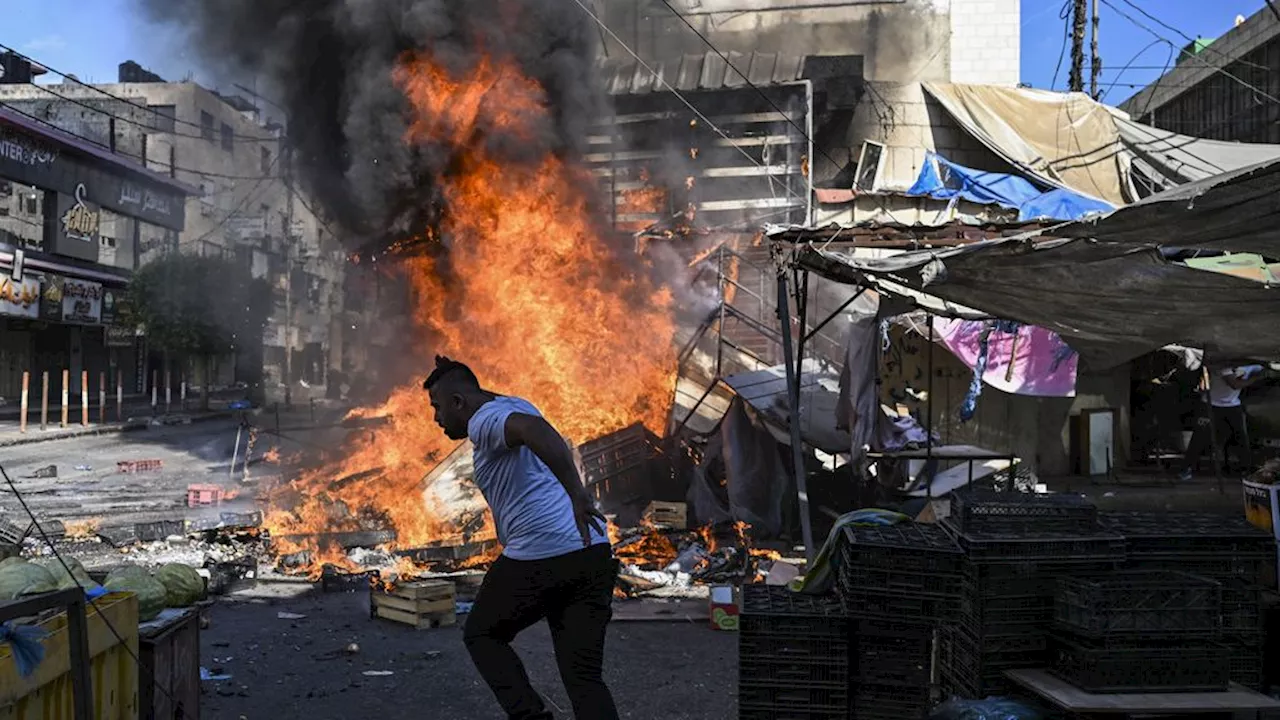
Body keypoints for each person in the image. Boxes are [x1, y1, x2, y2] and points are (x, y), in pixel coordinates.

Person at [424, 356, 619, 720]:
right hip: (591, 553)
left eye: (437, 407)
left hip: (541, 555)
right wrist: (457, 371)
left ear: (458, 403)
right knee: (584, 680)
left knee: (481, 634)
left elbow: (537, 431)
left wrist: (577, 493)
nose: (436, 419)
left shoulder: (483, 421)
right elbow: (488, 399)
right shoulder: (507, 404)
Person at [1179, 364, 1264, 481]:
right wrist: (1255, 379)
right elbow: (1234, 384)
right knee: (1200, 437)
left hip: (1233, 405)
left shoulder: (1255, 365)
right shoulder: (1222, 363)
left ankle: (1246, 469)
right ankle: (1186, 468)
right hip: (1211, 404)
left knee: (1241, 437)